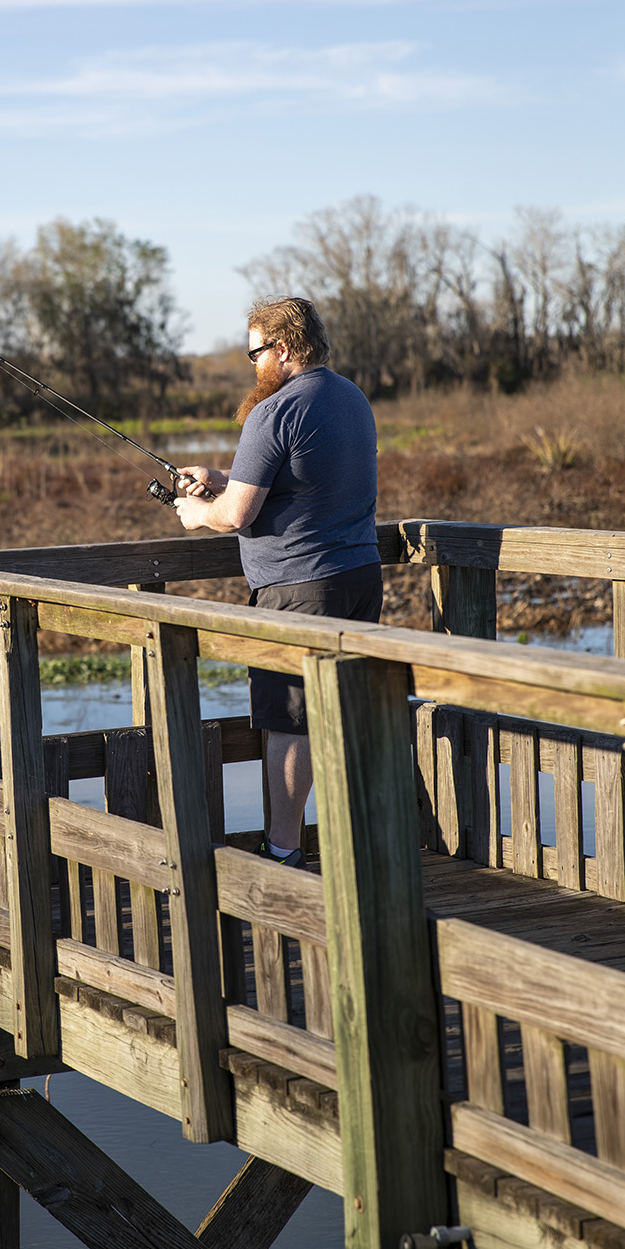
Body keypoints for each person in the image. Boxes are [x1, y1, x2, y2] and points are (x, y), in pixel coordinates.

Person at [173, 297, 382, 867]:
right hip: (358, 576)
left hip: (299, 590)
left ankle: (283, 852)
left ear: (282, 348)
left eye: (254, 353)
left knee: (291, 722)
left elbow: (236, 515)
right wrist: (222, 477)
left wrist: (197, 513)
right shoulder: (350, 397)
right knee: (339, 711)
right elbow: (306, 478)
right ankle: (355, 842)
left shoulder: (274, 411)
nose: (252, 364)